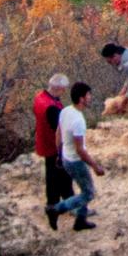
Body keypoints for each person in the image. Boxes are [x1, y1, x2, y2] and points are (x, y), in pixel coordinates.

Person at [51, 80, 105, 232]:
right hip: (76, 161)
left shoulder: (66, 111)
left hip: (67, 157)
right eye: (88, 95)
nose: (90, 97)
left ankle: (80, 221)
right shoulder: (78, 120)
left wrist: (59, 154)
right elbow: (80, 150)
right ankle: (57, 208)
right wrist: (95, 166)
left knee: (84, 188)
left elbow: (58, 133)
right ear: (81, 98)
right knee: (88, 193)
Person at [31, 74, 71, 231]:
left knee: (54, 177)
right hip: (54, 147)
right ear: (59, 88)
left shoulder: (39, 97)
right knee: (61, 179)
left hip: (44, 142)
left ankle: (59, 205)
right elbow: (59, 131)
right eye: (63, 89)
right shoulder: (52, 107)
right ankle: (59, 207)